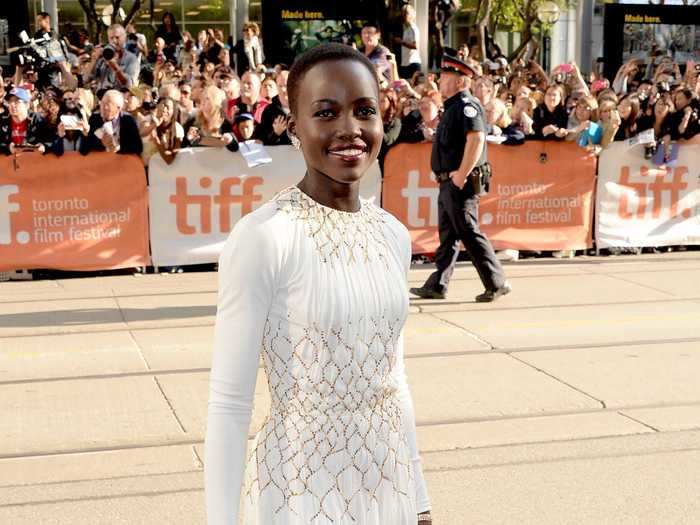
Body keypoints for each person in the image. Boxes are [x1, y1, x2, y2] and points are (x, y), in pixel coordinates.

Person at [205, 42, 432, 525]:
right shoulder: (265, 237)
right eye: (326, 113)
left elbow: (395, 380)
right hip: (299, 489)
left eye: (364, 111)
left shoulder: (392, 234)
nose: (349, 130)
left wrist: (419, 496)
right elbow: (229, 404)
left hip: (387, 484)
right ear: (294, 128)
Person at [410, 54, 511, 302]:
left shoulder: (467, 105)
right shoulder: (453, 107)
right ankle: (438, 284)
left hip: (461, 183)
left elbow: (476, 139)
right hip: (449, 181)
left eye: (446, 77)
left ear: (460, 82)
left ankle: (496, 282)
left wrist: (460, 176)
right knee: (448, 236)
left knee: (468, 231)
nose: (440, 80)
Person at [79, 89, 143, 156]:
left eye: (108, 104)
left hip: (120, 163)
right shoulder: (95, 118)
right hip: (100, 163)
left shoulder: (127, 120)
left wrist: (117, 147)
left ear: (118, 108)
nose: (104, 107)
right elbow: (83, 150)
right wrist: (86, 134)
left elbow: (138, 148)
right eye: (102, 103)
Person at [0, 87, 55, 155]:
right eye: (10, 101)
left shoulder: (38, 120)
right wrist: (7, 148)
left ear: (27, 105)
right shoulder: (2, 121)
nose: (12, 104)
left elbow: (52, 140)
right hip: (8, 162)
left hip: (32, 161)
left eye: (17, 101)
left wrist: (44, 146)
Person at [88, 24, 140, 90]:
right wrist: (94, 60)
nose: (114, 41)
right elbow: (86, 79)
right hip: (102, 97)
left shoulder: (131, 59)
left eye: (117, 37)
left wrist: (115, 67)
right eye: (111, 38)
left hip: (120, 97)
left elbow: (129, 84)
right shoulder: (103, 56)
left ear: (124, 38)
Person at [395, 5, 422, 80]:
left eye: (406, 13)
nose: (404, 15)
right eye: (403, 13)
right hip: (405, 63)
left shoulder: (413, 28)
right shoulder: (405, 28)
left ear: (413, 15)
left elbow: (415, 46)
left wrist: (401, 42)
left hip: (413, 63)